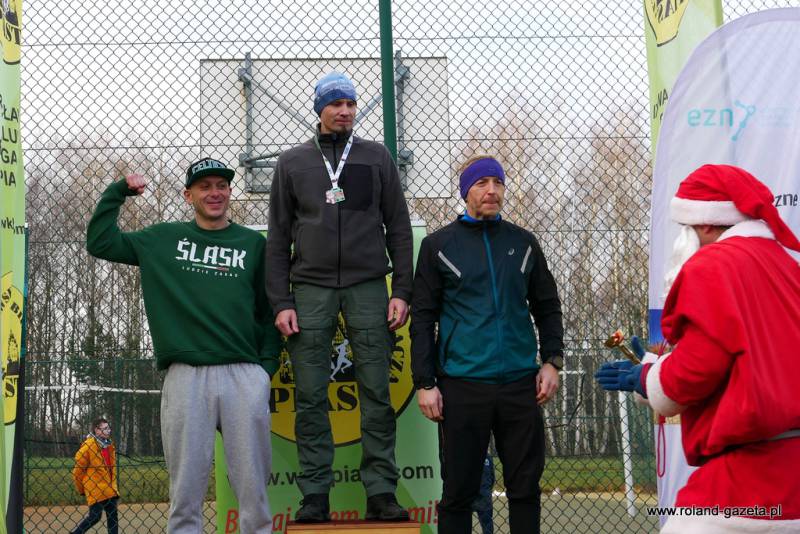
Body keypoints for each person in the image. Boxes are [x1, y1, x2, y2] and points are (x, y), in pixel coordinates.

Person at [595, 164, 800, 532]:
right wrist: (656, 364)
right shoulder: (787, 265)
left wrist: (649, 379)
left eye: (684, 226)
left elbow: (696, 372)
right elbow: (758, 356)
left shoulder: (712, 264)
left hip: (742, 482)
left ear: (705, 223)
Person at [86, 158, 281, 533]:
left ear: (229, 192)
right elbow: (100, 241)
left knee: (253, 490)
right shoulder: (162, 239)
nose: (214, 193)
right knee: (186, 492)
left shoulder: (252, 244)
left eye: (221, 185)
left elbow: (268, 310)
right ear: (188, 195)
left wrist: (265, 368)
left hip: (243, 373)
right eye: (204, 186)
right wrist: (118, 192)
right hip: (186, 376)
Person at [265, 71, 413, 523]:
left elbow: (399, 227)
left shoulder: (377, 156)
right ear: (319, 109)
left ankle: (381, 492)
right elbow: (278, 238)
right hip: (310, 288)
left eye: (350, 103)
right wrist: (281, 301)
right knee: (310, 395)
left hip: (368, 285)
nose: (345, 111)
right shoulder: (292, 163)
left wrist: (401, 290)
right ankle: (314, 495)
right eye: (335, 104)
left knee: (376, 391)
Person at [410, 155, 564, 534]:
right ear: (466, 192)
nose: (492, 190)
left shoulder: (523, 243)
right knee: (458, 493)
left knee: (524, 489)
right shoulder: (437, 246)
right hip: (463, 385)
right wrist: (425, 382)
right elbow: (423, 319)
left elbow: (547, 306)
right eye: (481, 183)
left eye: (497, 182)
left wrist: (552, 361)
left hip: (520, 384)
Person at [71, 418, 119, 534]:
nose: (108, 431)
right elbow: (77, 472)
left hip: (109, 489)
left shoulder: (109, 445)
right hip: (95, 489)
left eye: (108, 428)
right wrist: (82, 489)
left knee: (113, 516)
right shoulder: (88, 446)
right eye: (105, 428)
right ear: (97, 430)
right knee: (95, 516)